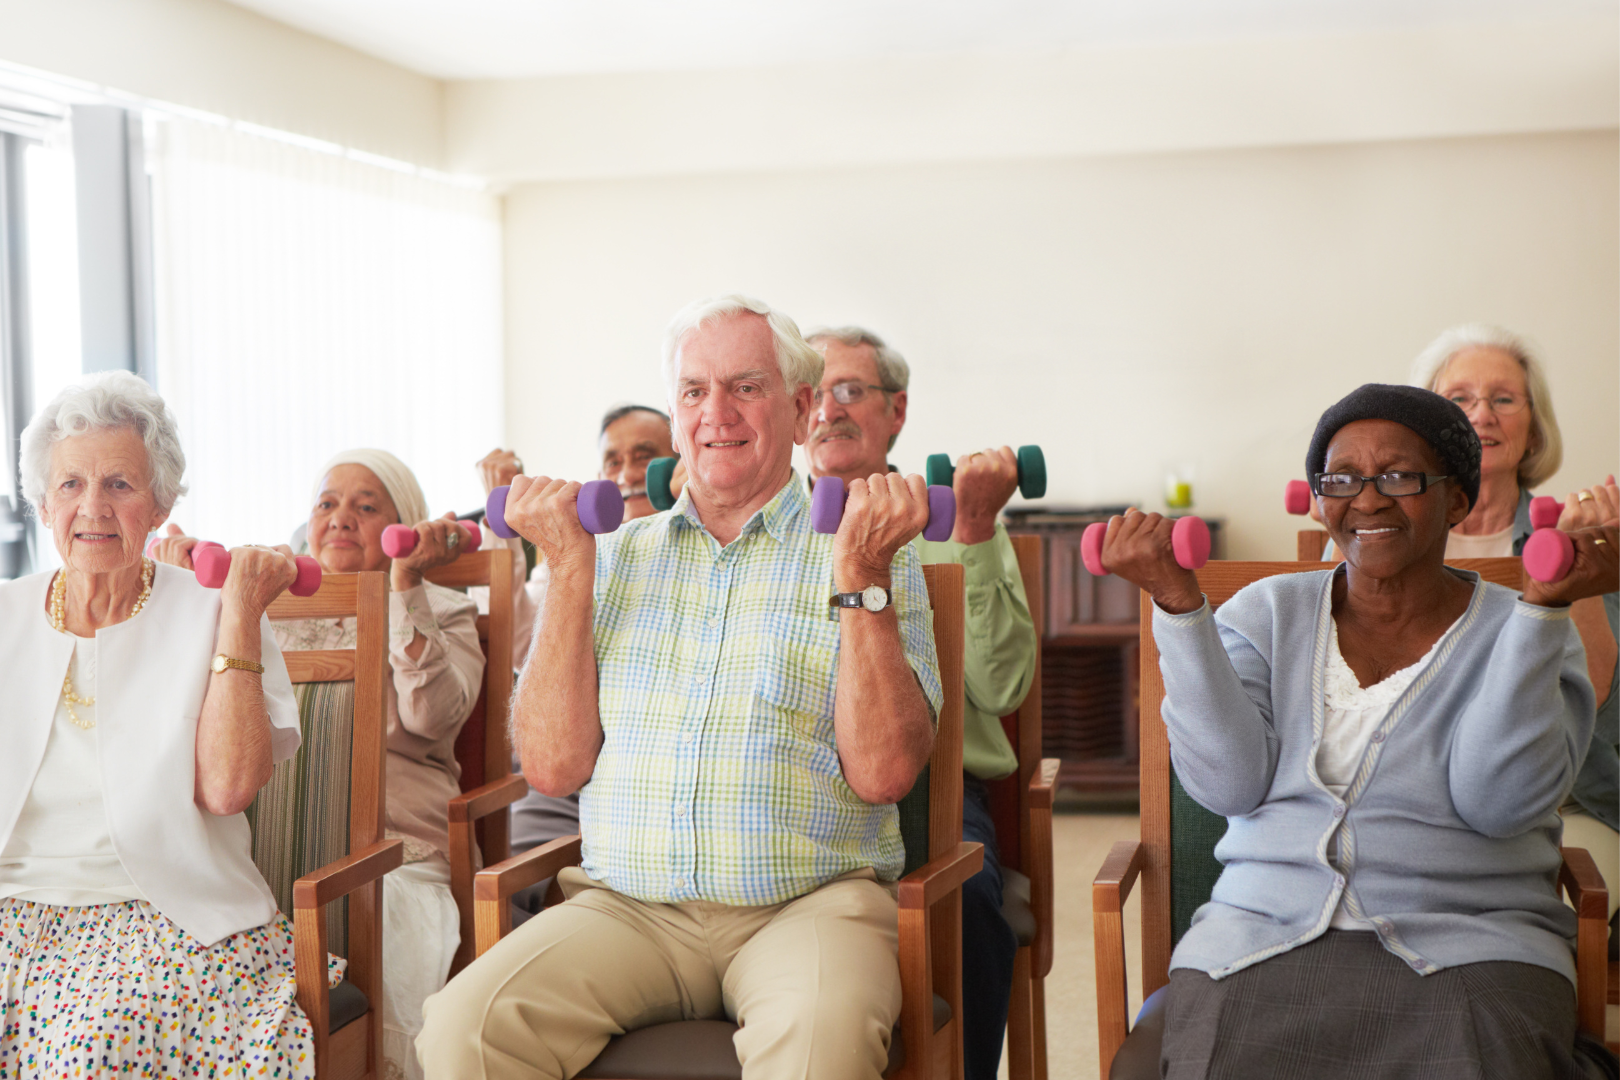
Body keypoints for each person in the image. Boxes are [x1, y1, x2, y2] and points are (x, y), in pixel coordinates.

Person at [416, 295, 943, 1079]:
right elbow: (554, 770)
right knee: (463, 1030)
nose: (716, 413)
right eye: (695, 392)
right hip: (627, 907)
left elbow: (885, 774)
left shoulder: (868, 551)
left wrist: (859, 575)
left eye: (746, 387)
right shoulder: (613, 557)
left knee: (817, 1051)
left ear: (801, 410)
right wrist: (567, 572)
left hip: (810, 902)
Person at [1099, 383, 1618, 1078]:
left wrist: (1544, 611)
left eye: (1400, 477)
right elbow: (1228, 785)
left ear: (1456, 500)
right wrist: (1179, 606)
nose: (1366, 500)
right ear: (1319, 498)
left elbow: (1500, 804)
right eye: (1340, 479)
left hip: (1473, 940)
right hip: (1260, 937)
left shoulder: (1524, 630)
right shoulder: (1264, 614)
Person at [0, 371, 337, 1077]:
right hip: (15, 912)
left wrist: (240, 613)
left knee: (92, 1054)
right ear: (40, 501)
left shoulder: (213, 614)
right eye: (70, 485)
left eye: (120, 484)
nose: (93, 506)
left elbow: (228, 788)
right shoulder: (5, 616)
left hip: (164, 915)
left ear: (161, 502)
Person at [153, 448, 486, 1080]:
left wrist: (404, 586)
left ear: (402, 524)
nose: (341, 518)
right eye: (326, 504)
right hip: (253, 848)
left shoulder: (442, 608)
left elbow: (433, 716)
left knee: (389, 970)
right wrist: (171, 593)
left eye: (367, 507)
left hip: (393, 852)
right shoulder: (256, 608)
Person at [803, 325, 1037, 1080]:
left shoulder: (949, 524)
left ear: (896, 410)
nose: (828, 410)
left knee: (965, 910)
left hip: (932, 792)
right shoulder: (757, 526)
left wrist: (974, 529)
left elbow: (1002, 690)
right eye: (814, 390)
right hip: (791, 785)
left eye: (851, 390)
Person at [1415, 324, 1619, 939]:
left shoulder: (1576, 531)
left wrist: (1578, 571)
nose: (1482, 415)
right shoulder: (1388, 535)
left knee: (1533, 926)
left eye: (1503, 399)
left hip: (1556, 797)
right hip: (1419, 790)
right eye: (1459, 400)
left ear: (1532, 425)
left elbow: (1596, 689)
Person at [474, 405, 682, 915]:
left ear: (677, 467)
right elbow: (512, 646)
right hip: (559, 787)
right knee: (516, 892)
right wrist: (511, 532)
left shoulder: (701, 551)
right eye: (613, 461)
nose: (628, 474)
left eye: (645, 457)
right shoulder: (576, 553)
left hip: (646, 791)